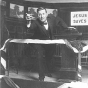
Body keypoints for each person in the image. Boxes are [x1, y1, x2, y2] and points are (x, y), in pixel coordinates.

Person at [26, 7, 68, 81]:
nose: (42, 16)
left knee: (50, 54)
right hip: (38, 42)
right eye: (39, 14)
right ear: (37, 15)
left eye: (43, 14)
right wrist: (28, 21)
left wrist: (67, 29)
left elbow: (59, 19)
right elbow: (30, 27)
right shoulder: (36, 22)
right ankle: (41, 77)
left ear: (46, 14)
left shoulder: (51, 18)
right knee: (40, 55)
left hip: (48, 42)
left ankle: (46, 71)